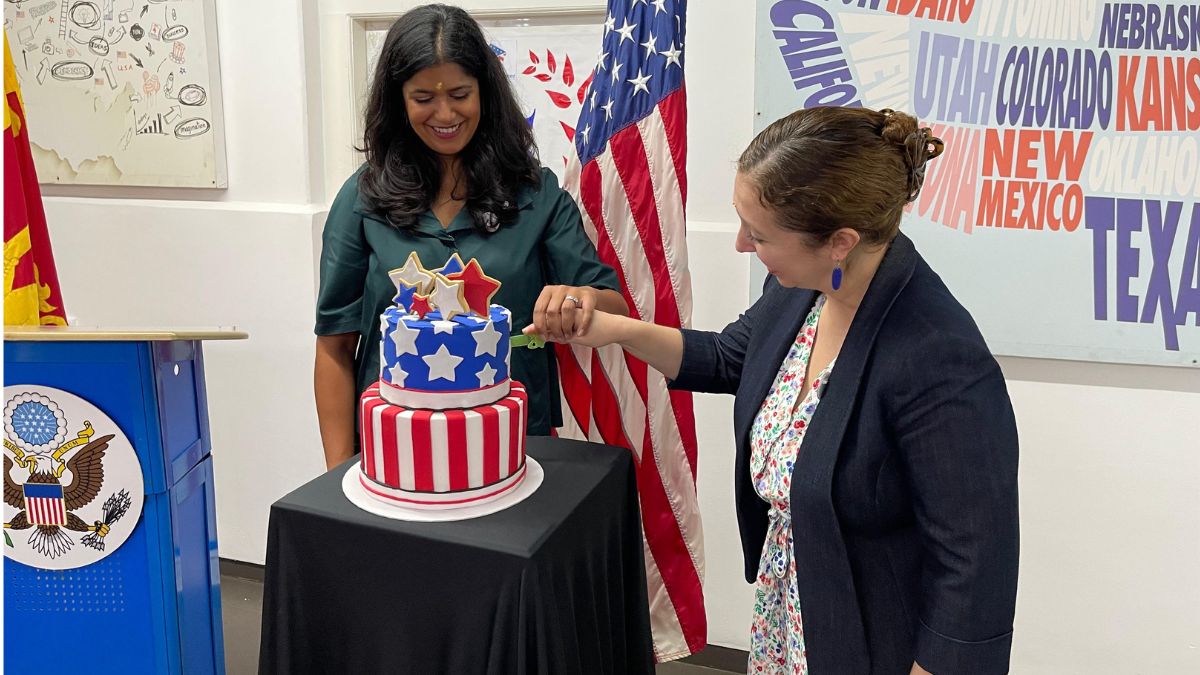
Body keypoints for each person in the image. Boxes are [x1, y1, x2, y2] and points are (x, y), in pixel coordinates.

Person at [526, 107, 1020, 674]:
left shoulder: (939, 358)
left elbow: (974, 565)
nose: (739, 244)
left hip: (870, 637)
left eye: (758, 234)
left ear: (839, 241)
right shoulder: (804, 287)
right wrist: (612, 329)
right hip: (789, 613)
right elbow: (729, 358)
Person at [315, 4, 627, 469]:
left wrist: (578, 299)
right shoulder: (362, 198)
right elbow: (334, 348)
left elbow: (614, 304)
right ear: (398, 101)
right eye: (423, 98)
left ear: (486, 92)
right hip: (393, 451)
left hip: (512, 451)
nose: (445, 113)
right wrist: (337, 476)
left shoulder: (536, 194)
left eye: (460, 93)